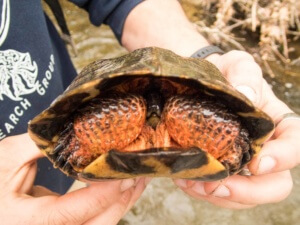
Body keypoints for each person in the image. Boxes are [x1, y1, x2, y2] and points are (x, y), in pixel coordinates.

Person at [0, 0, 299, 224]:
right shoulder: (124, 110)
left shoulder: (179, 109)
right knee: (127, 109)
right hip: (36, 184)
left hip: (66, 176)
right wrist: (77, 142)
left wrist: (205, 58)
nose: (153, 105)